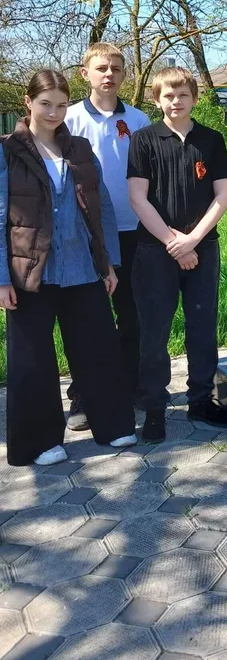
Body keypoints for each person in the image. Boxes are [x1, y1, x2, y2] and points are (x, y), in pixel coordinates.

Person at [0, 70, 137, 466]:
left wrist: (109, 264)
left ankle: (112, 425)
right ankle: (40, 442)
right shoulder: (7, 151)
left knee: (98, 349)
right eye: (45, 104)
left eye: (61, 105)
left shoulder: (79, 148)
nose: (54, 113)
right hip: (31, 272)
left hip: (83, 269)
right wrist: (2, 279)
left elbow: (103, 208)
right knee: (32, 361)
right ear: (28, 103)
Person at [127, 66, 227, 443]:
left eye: (183, 95)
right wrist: (174, 243)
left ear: (195, 98)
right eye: (168, 96)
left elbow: (223, 195)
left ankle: (201, 399)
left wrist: (193, 240)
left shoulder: (212, 140)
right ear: (157, 100)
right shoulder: (143, 140)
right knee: (154, 331)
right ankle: (155, 406)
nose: (176, 101)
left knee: (202, 327)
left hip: (203, 248)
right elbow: (137, 198)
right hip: (155, 251)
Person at [65, 42, 151, 429]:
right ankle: (83, 395)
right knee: (86, 318)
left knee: (133, 315)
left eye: (116, 68)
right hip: (87, 235)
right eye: (101, 68)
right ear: (85, 73)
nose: (109, 74)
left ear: (124, 74)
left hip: (133, 229)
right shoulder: (68, 119)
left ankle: (131, 385)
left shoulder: (138, 119)